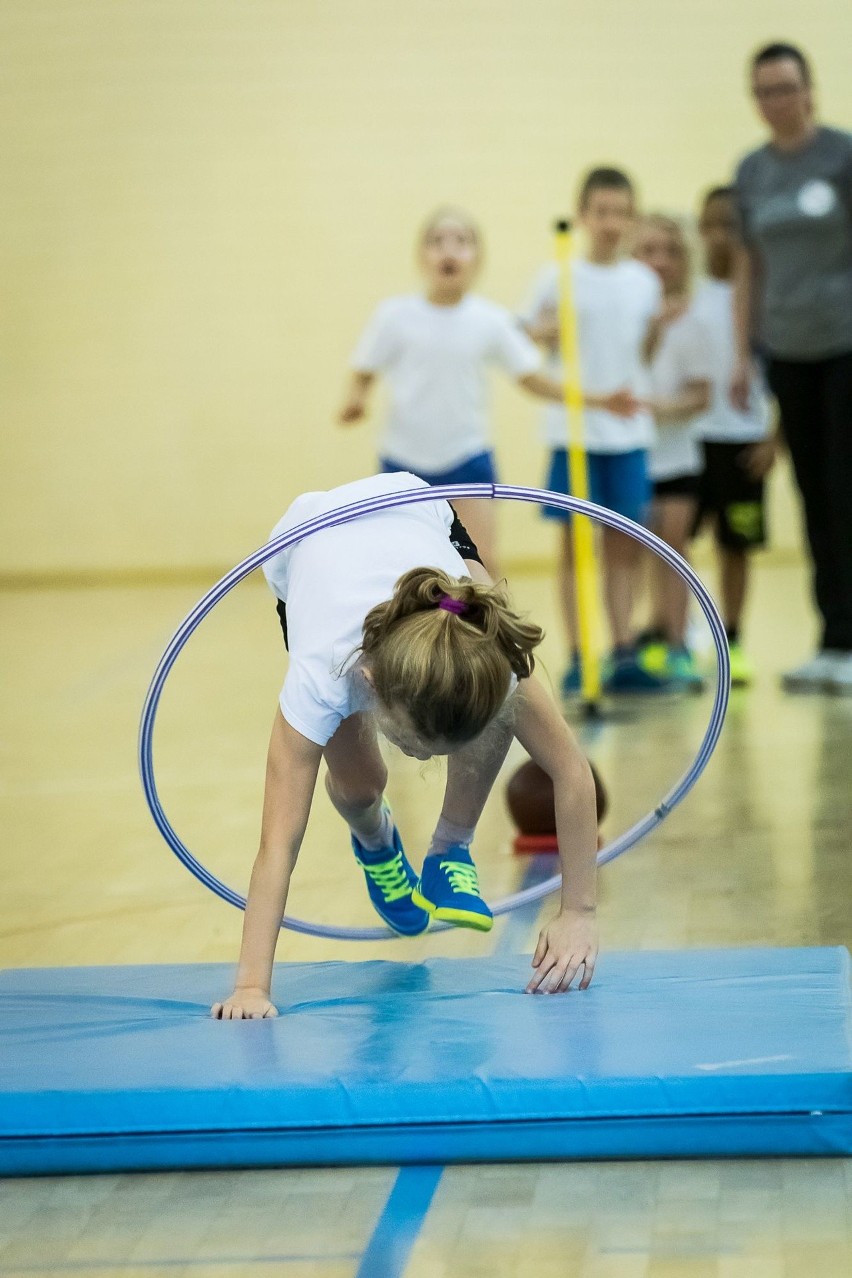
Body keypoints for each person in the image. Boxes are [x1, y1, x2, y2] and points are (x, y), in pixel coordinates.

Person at [211, 471, 599, 1019]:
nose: (428, 760)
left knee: (494, 708)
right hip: (307, 543)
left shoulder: (488, 643)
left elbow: (570, 770)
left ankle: (450, 848)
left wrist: (578, 911)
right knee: (361, 783)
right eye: (417, 745)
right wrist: (251, 986)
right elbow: (278, 842)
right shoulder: (322, 674)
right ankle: (376, 842)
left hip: (417, 509)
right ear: (370, 684)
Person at [338, 208, 634, 575]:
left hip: (467, 458)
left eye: (461, 242)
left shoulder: (490, 320)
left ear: (477, 258)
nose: (449, 250)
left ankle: (487, 632)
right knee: (407, 569)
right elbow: (364, 369)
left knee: (479, 564)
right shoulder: (394, 316)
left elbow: (531, 379)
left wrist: (600, 401)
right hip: (402, 461)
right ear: (421, 255)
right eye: (437, 241)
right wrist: (355, 398)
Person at [732, 42, 852, 694]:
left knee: (846, 491)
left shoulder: (842, 156)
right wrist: (739, 353)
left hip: (845, 347)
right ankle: (833, 640)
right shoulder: (751, 173)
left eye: (786, 88)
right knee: (811, 498)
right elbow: (749, 268)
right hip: (789, 355)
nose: (776, 101)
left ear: (810, 90)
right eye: (764, 91)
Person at [520, 167, 666, 695]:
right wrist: (540, 331)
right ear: (582, 215)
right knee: (575, 547)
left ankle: (623, 652)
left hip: (628, 434)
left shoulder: (644, 283)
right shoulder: (555, 276)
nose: (610, 223)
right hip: (574, 433)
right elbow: (521, 343)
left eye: (621, 212)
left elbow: (648, 353)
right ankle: (582, 655)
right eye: (601, 212)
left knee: (625, 547)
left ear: (633, 218)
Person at [692, 186, 776, 687]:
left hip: (745, 441)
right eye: (711, 224)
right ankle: (673, 637)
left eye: (731, 224)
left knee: (736, 546)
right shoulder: (690, 294)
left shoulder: (765, 299)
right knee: (674, 540)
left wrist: (775, 439)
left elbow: (789, 374)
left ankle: (734, 640)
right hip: (694, 442)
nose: (721, 236)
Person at [633, 215, 712, 688]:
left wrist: (656, 408)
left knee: (673, 551)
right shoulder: (624, 316)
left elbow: (702, 395)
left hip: (677, 458)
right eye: (649, 250)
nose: (660, 261)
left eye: (671, 251)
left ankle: (679, 642)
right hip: (632, 456)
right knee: (636, 552)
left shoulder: (695, 321)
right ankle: (652, 635)